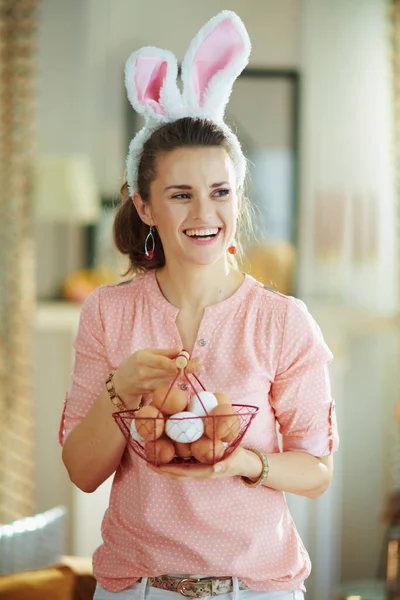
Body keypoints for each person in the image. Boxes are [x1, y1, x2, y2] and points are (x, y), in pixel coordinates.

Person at [60, 11, 339, 600]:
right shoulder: (109, 313)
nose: (203, 214)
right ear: (145, 205)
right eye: (180, 195)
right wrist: (122, 388)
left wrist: (243, 464)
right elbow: (83, 473)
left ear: (238, 197)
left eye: (220, 193)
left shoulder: (281, 321)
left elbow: (315, 470)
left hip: (257, 589)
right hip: (135, 588)